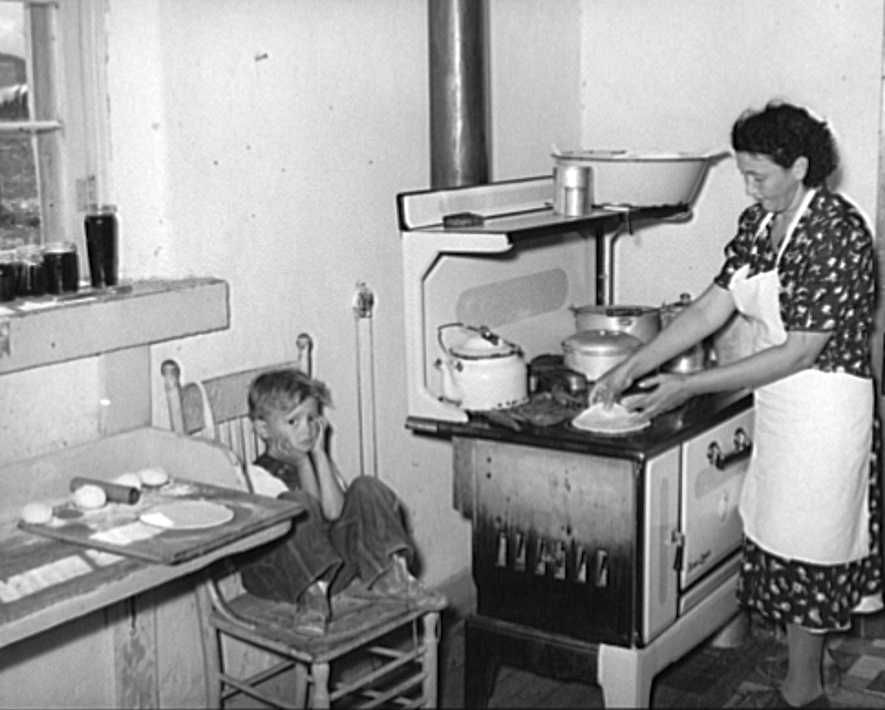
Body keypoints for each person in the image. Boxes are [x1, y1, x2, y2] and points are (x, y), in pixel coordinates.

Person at [589, 100, 883, 708]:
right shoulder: (758, 223)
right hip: (780, 403)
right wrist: (632, 364)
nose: (750, 187)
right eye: (745, 176)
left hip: (826, 408)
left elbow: (803, 350)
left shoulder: (836, 230)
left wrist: (689, 385)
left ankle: (805, 687)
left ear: (799, 166)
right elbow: (708, 308)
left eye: (760, 175)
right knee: (779, 533)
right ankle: (800, 677)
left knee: (816, 544)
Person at [238, 367, 444, 635]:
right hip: (284, 578)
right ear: (263, 428)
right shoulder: (255, 476)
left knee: (365, 486)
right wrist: (302, 462)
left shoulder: (317, 460)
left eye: (312, 419)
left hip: (333, 574)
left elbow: (334, 513)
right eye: (293, 422)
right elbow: (306, 515)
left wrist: (319, 457)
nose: (307, 430)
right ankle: (312, 596)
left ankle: (388, 576)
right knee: (295, 503)